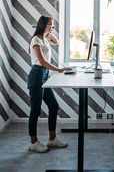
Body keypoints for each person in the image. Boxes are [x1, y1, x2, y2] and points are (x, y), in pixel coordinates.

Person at [27, 15, 71, 153]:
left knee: (53, 106)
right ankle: (33, 143)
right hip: (37, 75)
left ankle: (52, 140)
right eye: (50, 24)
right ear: (43, 25)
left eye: (53, 24)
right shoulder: (35, 40)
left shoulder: (44, 39)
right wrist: (59, 69)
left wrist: (48, 31)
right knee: (35, 110)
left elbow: (56, 42)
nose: (53, 26)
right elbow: (42, 61)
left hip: (44, 75)